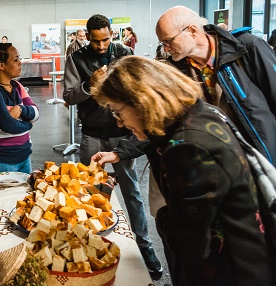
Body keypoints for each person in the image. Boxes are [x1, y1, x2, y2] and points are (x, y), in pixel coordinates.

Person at [91, 55, 276, 286]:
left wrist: (164, 215)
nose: (118, 122)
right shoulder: (201, 112)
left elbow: (187, 243)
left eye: (118, 112)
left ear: (142, 101)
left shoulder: (188, 148)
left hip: (231, 271)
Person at [62, 14, 163, 280]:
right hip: (93, 135)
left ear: (112, 34)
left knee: (131, 193)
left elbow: (141, 90)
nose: (101, 46)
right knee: (88, 195)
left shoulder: (125, 52)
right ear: (87, 36)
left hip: (123, 136)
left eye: (105, 39)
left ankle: (145, 247)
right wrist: (89, 84)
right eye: (96, 41)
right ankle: (90, 250)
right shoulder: (76, 58)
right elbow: (69, 97)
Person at [155, 6, 276, 167]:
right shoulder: (178, 70)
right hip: (222, 166)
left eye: (168, 41)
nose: (166, 49)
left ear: (192, 30)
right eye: (163, 43)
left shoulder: (248, 47)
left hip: (262, 157)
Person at [0, 43, 39, 175]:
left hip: (24, 156)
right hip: (1, 160)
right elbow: (8, 125)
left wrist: (21, 110)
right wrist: (29, 124)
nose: (20, 63)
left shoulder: (16, 86)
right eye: (15, 60)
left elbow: (36, 112)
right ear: (1, 65)